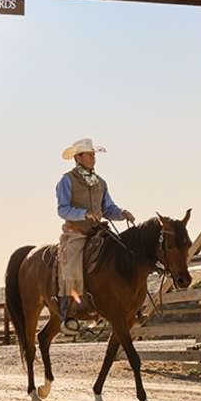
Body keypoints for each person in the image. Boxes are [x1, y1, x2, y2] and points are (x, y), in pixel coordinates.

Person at [55, 138, 135, 330]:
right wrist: (83, 213)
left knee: (123, 253)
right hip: (76, 232)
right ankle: (68, 313)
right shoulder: (66, 180)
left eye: (93, 155)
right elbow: (62, 210)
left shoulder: (101, 182)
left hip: (99, 232)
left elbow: (108, 208)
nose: (93, 158)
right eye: (89, 155)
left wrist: (122, 213)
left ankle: (127, 304)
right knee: (72, 262)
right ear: (78, 157)